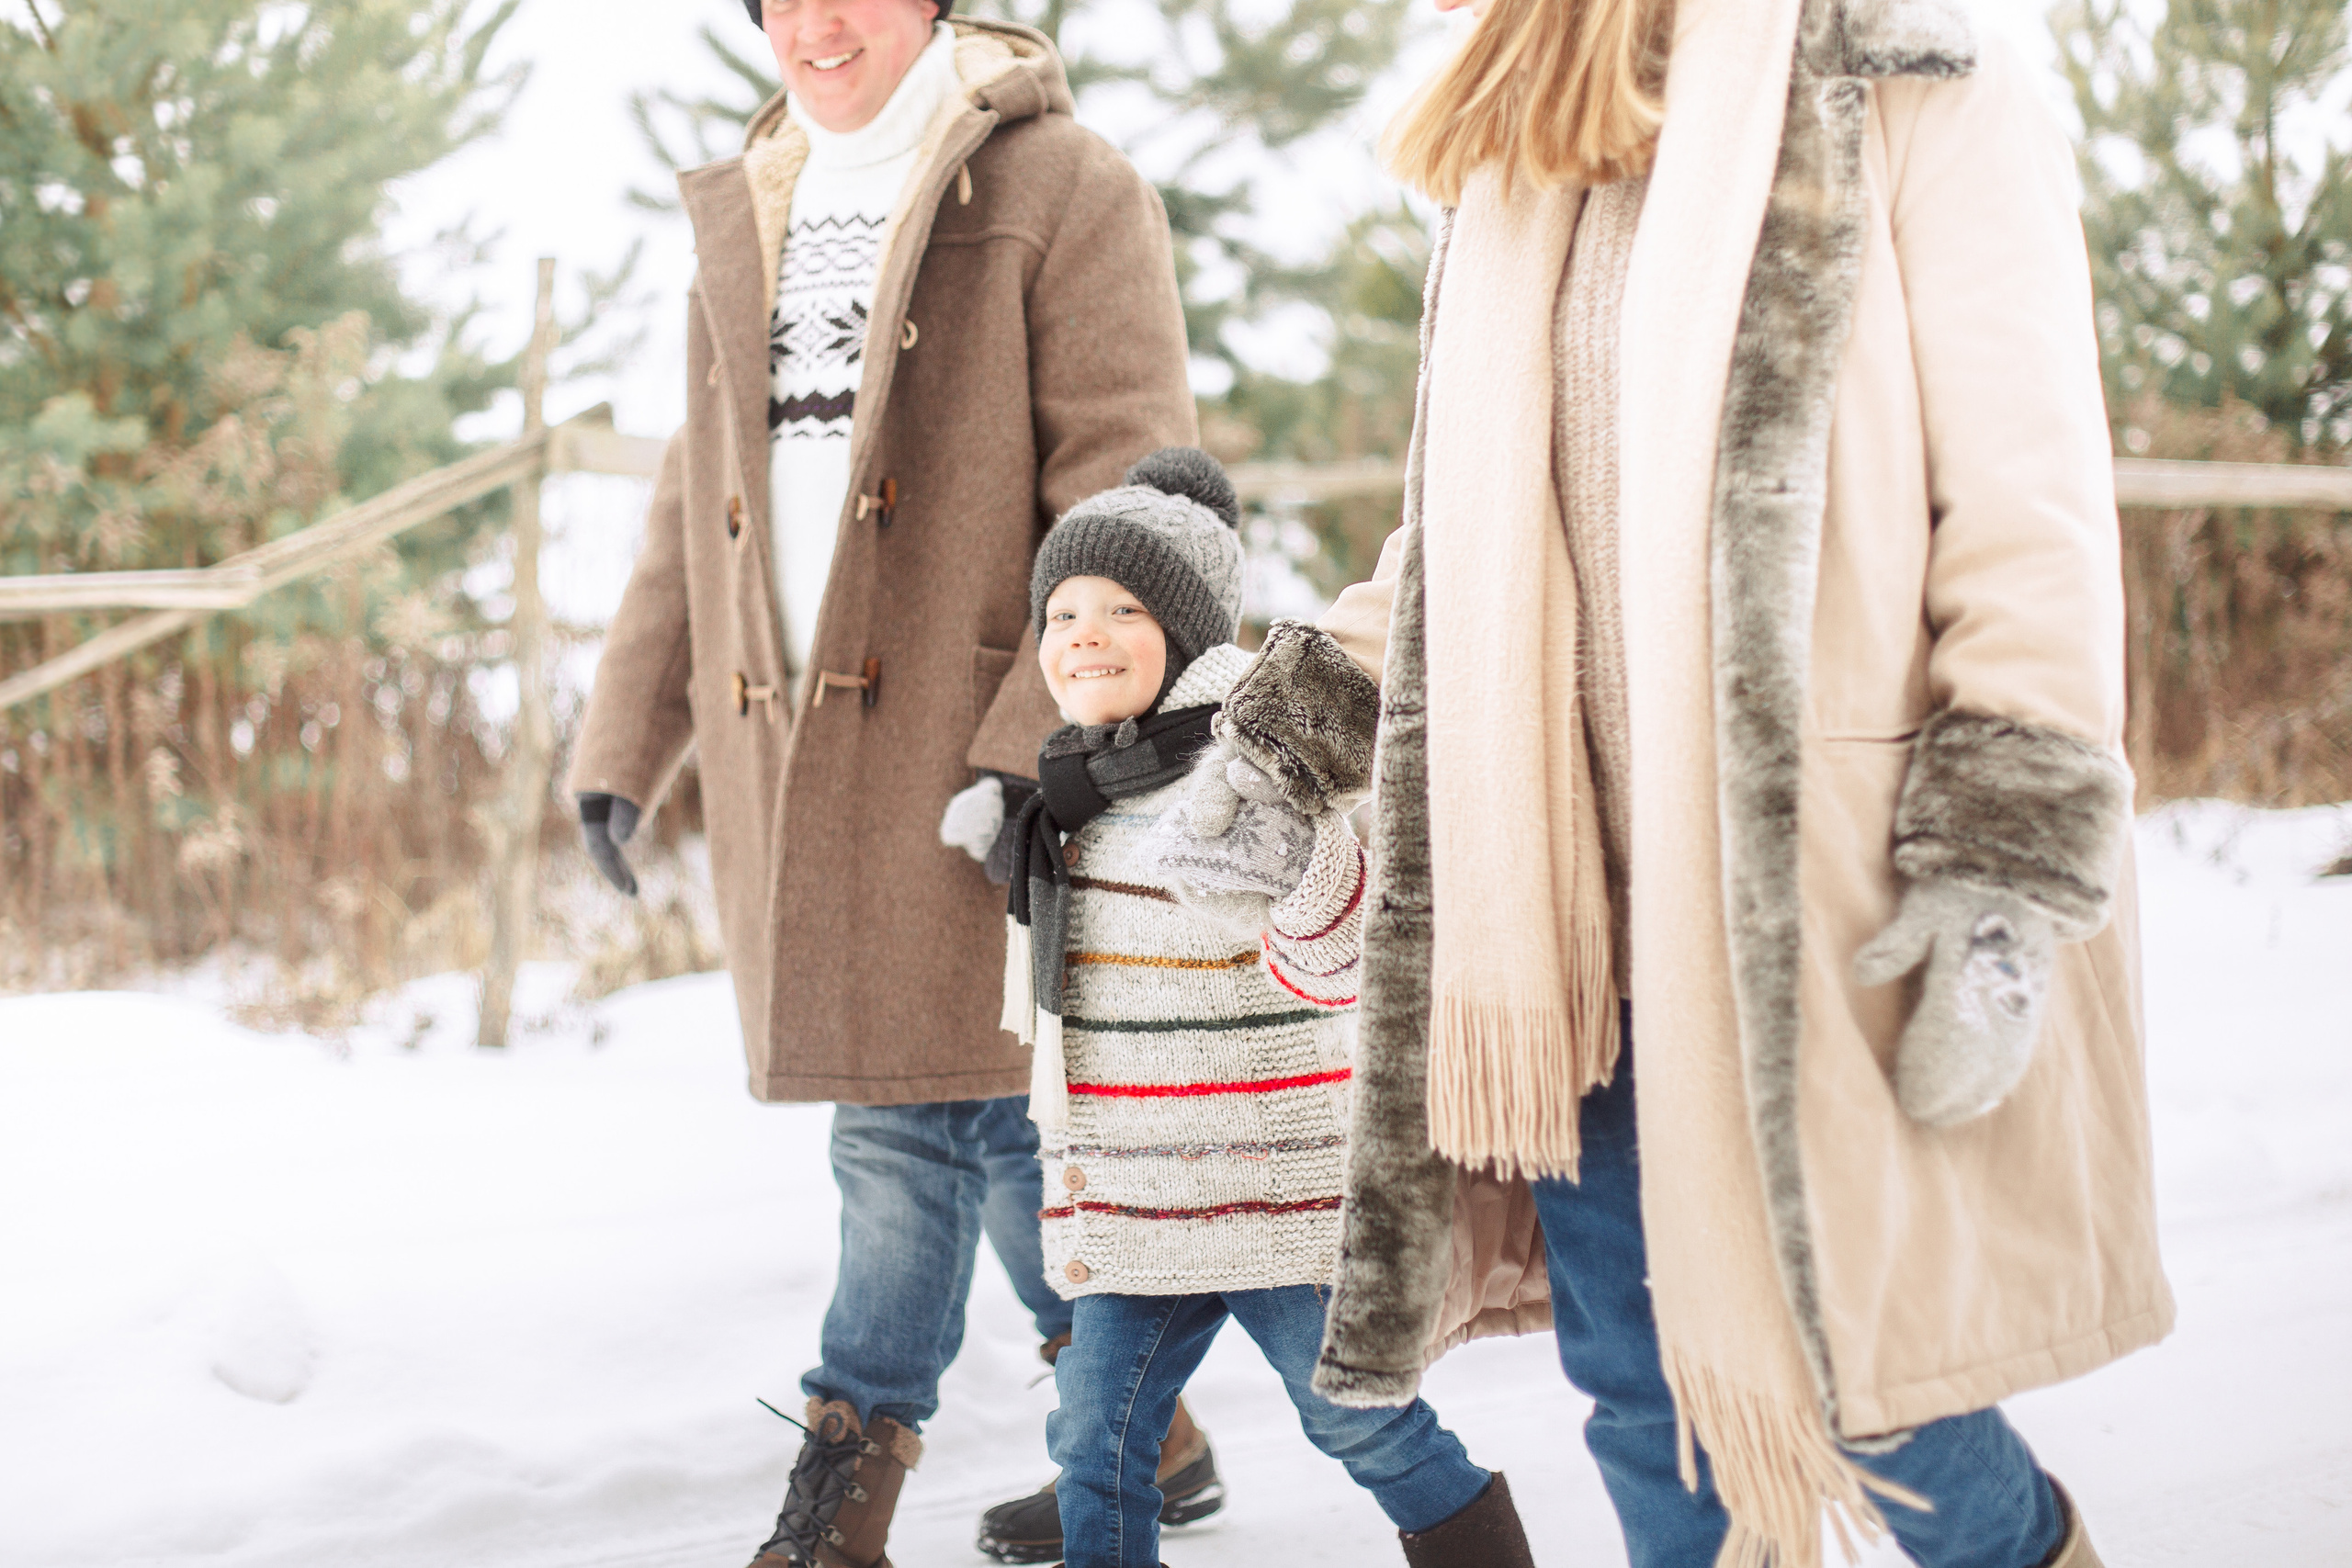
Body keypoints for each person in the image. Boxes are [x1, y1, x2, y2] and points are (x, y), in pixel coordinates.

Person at [1159, 1, 2169, 1566]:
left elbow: (2029, 507)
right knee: (1640, 1390)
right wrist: (1306, 724)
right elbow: (1476, 535)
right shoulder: (1522, 134)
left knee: (1875, 1389)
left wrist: (2004, 858)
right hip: (1569, 917)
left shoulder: (1905, 79)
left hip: (1814, 901)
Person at [565, 2, 1222, 1562]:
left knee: (901, 1126)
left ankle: (851, 1467)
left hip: (980, 748)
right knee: (981, 1116)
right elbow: (691, 499)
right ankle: (1142, 1426)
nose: (813, 21)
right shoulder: (759, 194)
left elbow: (1129, 493)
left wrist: (1036, 754)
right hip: (795, 765)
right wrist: (623, 741)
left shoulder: (1065, 186)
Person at [936, 447, 1535, 1568]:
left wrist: (1297, 858)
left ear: (1195, 632)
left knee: (1352, 1415)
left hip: (1267, 1194)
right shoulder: (1067, 794)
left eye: (1123, 608)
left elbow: (1345, 954)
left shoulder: (1247, 771)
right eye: (1061, 612)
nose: (1085, 633)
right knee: (1093, 1437)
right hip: (1133, 1207)